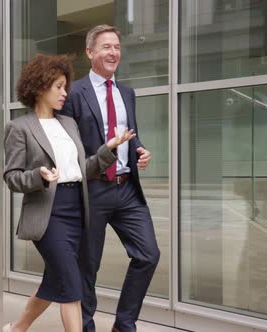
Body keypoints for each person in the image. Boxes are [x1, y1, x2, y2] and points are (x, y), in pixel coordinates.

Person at [2, 53, 136, 332]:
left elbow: (83, 169)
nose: (65, 93)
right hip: (49, 214)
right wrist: (38, 177)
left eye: (66, 86)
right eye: (59, 87)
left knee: (56, 282)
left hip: (78, 210)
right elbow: (12, 177)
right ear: (41, 87)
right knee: (72, 286)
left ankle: (18, 328)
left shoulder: (68, 124)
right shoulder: (19, 128)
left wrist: (107, 150)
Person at [60, 25, 160, 332]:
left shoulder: (126, 93)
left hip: (127, 189)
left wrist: (139, 149)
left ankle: (124, 324)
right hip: (92, 190)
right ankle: (86, 327)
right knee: (87, 267)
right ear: (90, 53)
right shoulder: (74, 93)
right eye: (106, 46)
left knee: (148, 254)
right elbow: (68, 147)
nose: (113, 52)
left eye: (116, 46)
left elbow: (130, 135)